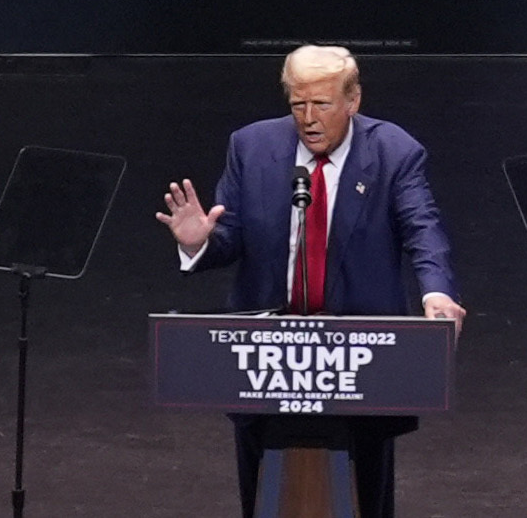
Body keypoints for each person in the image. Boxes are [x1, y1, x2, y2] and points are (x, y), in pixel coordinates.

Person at [159, 46, 464, 518]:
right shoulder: (251, 146)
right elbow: (230, 237)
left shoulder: (393, 152)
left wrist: (437, 293)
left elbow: (423, 230)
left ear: (353, 101)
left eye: (321, 104)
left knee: (366, 499)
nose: (308, 118)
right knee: (263, 495)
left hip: (361, 360)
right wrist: (199, 241)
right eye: (298, 104)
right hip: (266, 362)